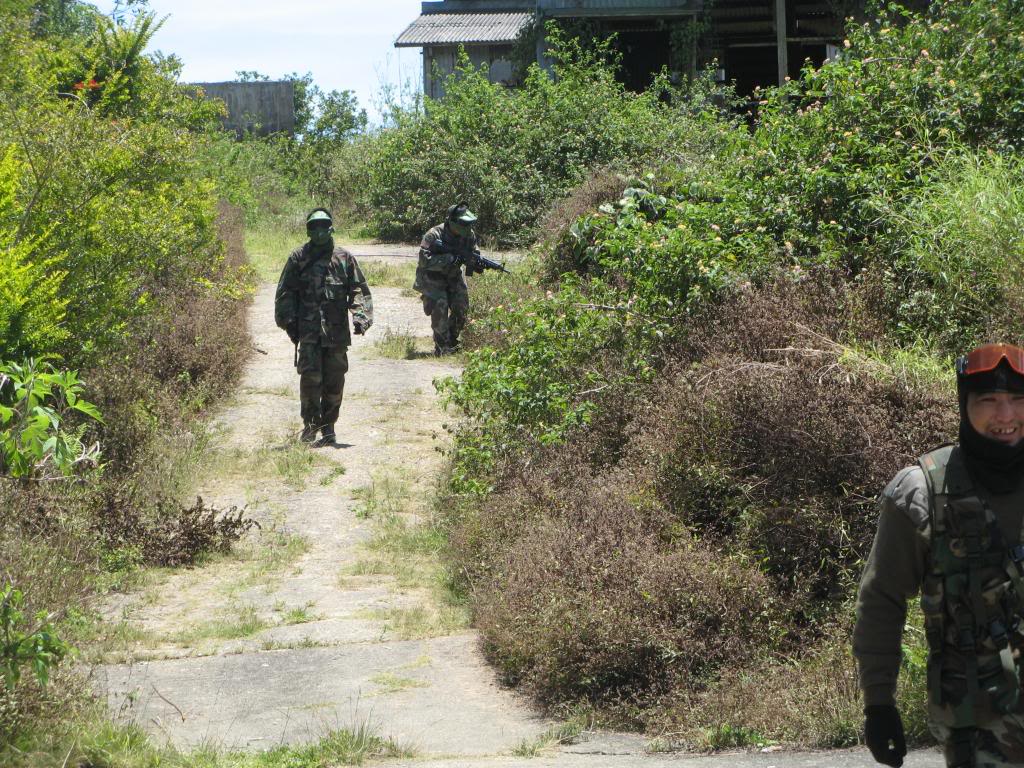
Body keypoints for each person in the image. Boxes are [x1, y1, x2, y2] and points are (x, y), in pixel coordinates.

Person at [854, 343, 1024, 768]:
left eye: (1018, 400)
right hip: (982, 734)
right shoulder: (921, 492)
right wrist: (879, 703)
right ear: (964, 405)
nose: (1006, 416)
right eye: (989, 401)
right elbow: (881, 601)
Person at [274, 208, 373, 445]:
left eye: (323, 225)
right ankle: (310, 426)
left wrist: (360, 316)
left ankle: (329, 427)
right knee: (310, 381)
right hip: (308, 334)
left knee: (334, 381)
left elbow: (359, 289)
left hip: (336, 334)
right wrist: (289, 324)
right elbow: (284, 293)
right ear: (309, 230)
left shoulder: (344, 259)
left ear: (331, 228)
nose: (319, 231)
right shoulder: (298, 258)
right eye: (314, 227)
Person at [413, 202, 477, 355]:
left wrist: (475, 262)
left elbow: (473, 251)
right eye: (462, 223)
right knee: (440, 310)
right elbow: (424, 261)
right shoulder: (434, 234)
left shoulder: (469, 234)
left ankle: (452, 341)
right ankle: (442, 346)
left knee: (462, 308)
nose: (466, 227)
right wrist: (448, 259)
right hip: (432, 277)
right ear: (451, 222)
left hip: (453, 275)